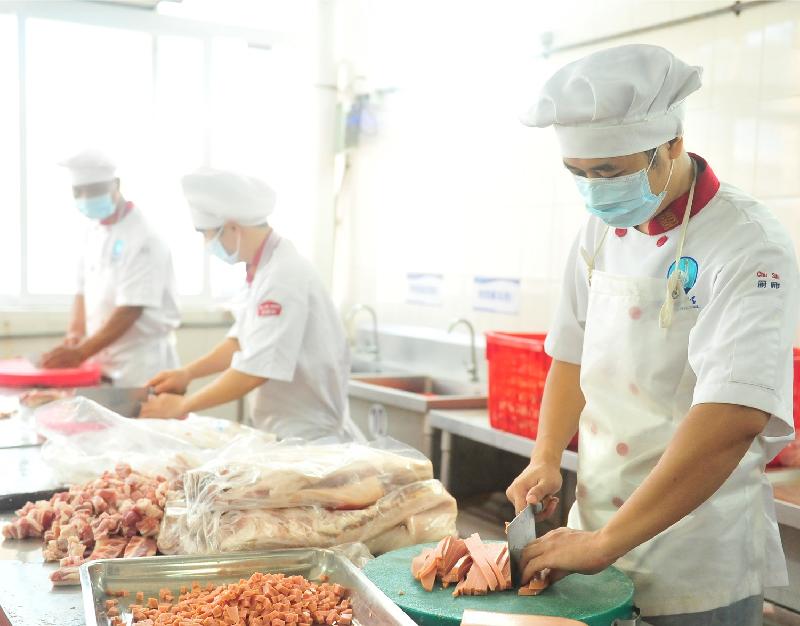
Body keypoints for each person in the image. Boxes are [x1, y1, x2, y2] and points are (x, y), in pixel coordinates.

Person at [505, 44, 798, 625]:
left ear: (672, 145)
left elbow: (733, 416)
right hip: (592, 533)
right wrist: (545, 456)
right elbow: (572, 353)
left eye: (609, 172)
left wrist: (606, 542)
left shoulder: (748, 244)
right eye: (579, 173)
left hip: (694, 551)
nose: (595, 189)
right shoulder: (598, 230)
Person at [140, 168, 359, 441]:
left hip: (309, 437)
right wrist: (187, 373)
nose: (207, 244)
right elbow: (241, 342)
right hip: (285, 430)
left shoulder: (283, 277)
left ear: (233, 227)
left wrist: (183, 406)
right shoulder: (263, 270)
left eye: (208, 234)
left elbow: (255, 371)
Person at [41, 149, 180, 386]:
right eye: (78, 192)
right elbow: (82, 290)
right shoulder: (93, 232)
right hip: (101, 359)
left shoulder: (143, 238)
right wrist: (75, 333)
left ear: (116, 185)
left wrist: (80, 352)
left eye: (94, 190)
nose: (86, 197)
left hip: (140, 364)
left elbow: (131, 309)